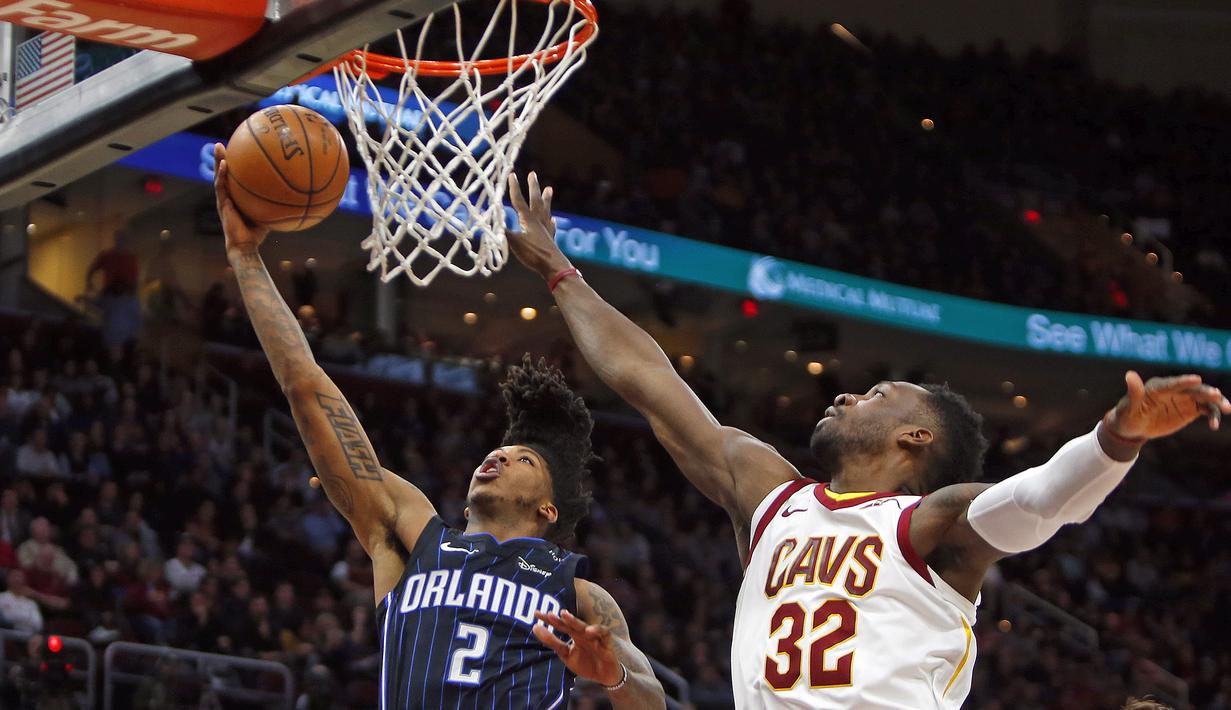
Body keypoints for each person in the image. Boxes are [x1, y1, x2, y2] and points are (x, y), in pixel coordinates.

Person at [506, 172, 1231, 709]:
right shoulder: (768, 493)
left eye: (877, 395)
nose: (849, 393)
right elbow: (646, 378)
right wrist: (560, 273)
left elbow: (1042, 503)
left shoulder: (933, 525)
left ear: (916, 437)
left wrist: (1117, 436)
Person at [212, 144, 665, 709]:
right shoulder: (409, 539)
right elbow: (305, 385)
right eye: (501, 450)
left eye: (522, 459)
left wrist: (616, 677)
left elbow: (653, 702)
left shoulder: (579, 596)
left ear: (547, 509)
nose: (498, 457)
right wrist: (244, 255)